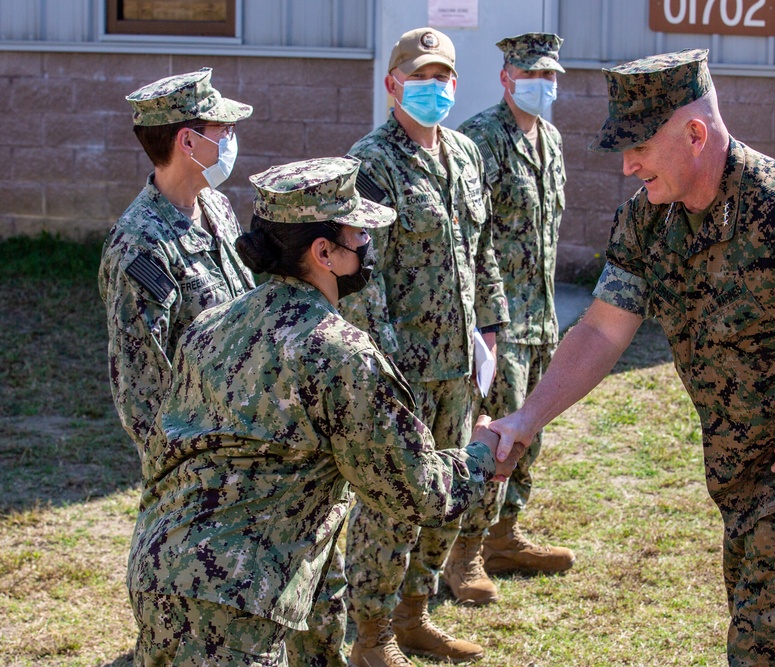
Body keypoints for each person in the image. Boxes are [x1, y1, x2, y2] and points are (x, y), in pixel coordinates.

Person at [490, 49, 775, 666]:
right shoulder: (648, 219)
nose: (626, 167)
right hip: (742, 481)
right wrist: (524, 420)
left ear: (694, 134)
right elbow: (601, 331)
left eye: (639, 147)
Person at [125, 156, 521, 667]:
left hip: (162, 568)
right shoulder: (338, 352)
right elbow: (413, 489)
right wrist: (483, 455)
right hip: (233, 600)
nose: (367, 247)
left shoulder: (214, 323)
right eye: (359, 234)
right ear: (323, 252)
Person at [337, 26, 509, 667]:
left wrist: (492, 327)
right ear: (391, 84)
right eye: (420, 77)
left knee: (446, 492)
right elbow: (361, 270)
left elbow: (483, 249)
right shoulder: (370, 163)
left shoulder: (465, 156)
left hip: (461, 365)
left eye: (442, 78)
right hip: (403, 368)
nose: (433, 88)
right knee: (391, 501)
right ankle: (372, 636)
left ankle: (415, 616)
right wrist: (381, 364)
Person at [447, 32, 575, 606]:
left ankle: (505, 537)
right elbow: (468, 237)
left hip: (541, 318)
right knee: (494, 437)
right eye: (532, 76)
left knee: (532, 435)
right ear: (505, 78)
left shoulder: (550, 139)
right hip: (499, 321)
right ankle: (464, 554)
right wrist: (482, 325)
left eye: (551, 77)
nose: (543, 86)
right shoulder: (479, 139)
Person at [98, 67, 255, 453]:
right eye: (224, 131)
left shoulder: (215, 205)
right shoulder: (140, 244)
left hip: (245, 431)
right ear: (188, 141)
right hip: (198, 456)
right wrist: (183, 469)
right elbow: (141, 388)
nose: (231, 141)